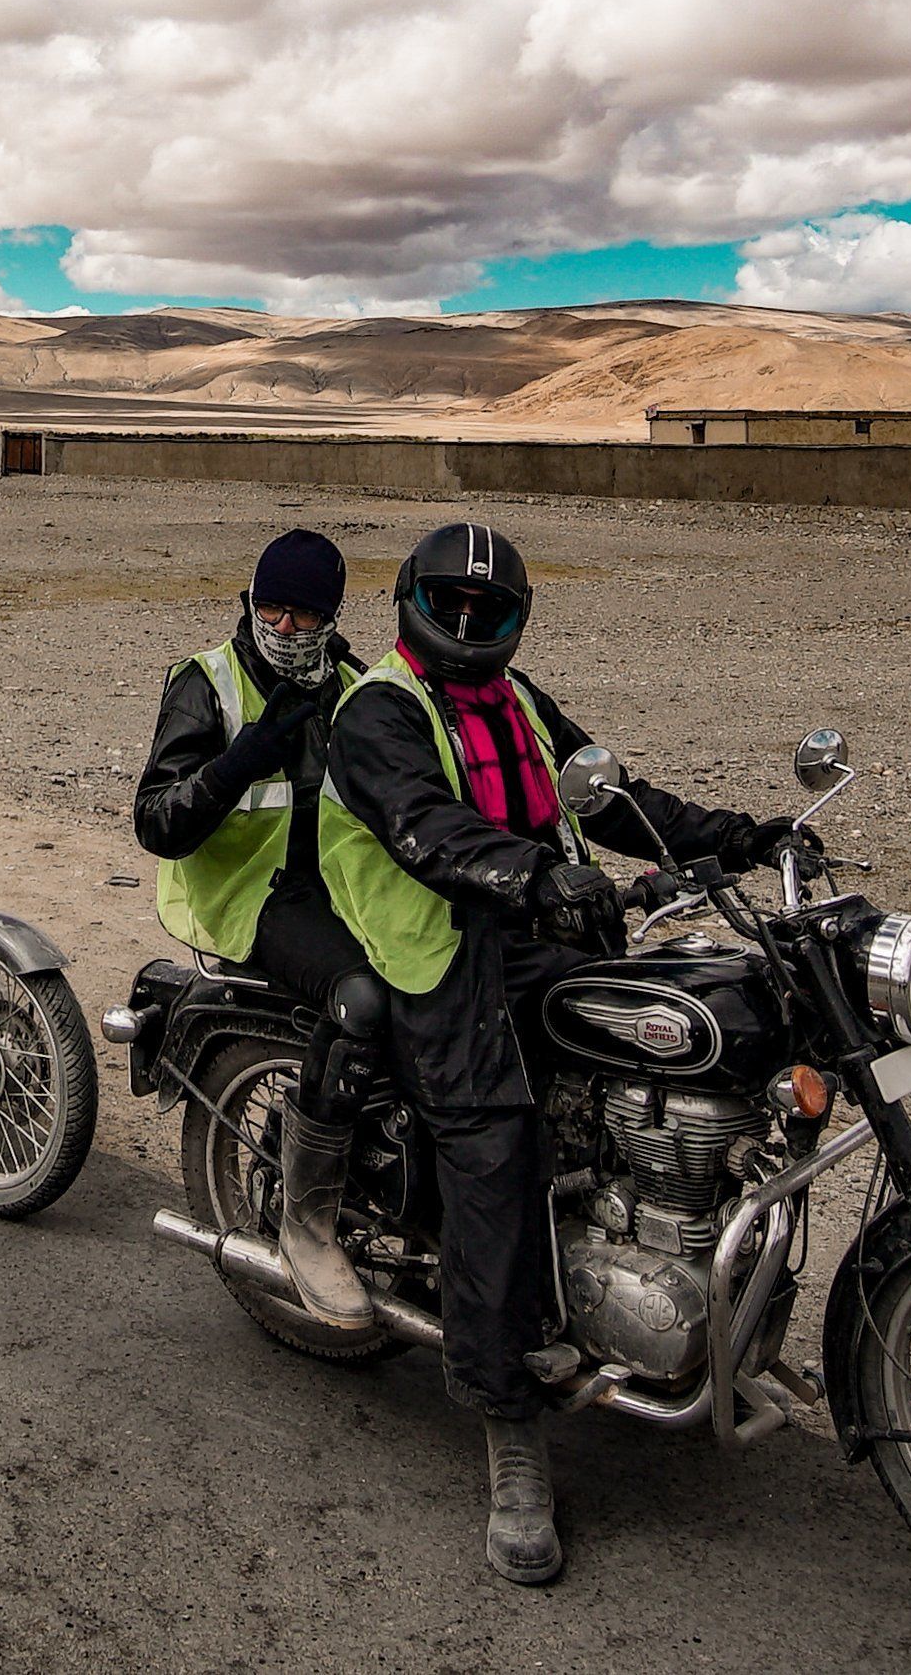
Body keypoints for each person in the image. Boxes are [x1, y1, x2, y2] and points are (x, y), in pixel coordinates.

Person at [322, 519, 810, 1589]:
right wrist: (534, 877)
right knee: (495, 1161)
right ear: (407, 602)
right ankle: (508, 1431)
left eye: (484, 611)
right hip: (439, 962)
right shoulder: (377, 714)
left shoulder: (520, 702)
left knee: (700, 1048)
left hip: (537, 945)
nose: (463, 623)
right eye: (446, 605)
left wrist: (743, 835)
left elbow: (618, 801)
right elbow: (425, 829)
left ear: (514, 619)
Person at [129, 526, 387, 1324]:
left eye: (302, 615)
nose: (282, 628)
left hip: (346, 891)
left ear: (330, 618)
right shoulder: (203, 683)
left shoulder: (355, 683)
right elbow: (157, 823)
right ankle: (307, 1218)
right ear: (247, 601)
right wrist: (245, 754)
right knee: (364, 995)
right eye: (268, 608)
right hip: (251, 897)